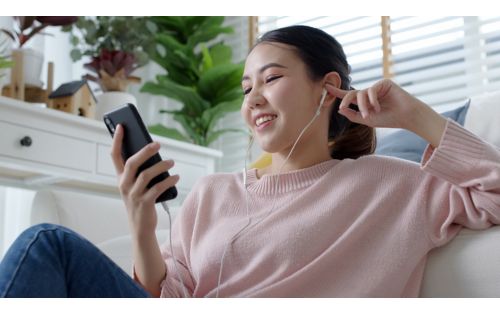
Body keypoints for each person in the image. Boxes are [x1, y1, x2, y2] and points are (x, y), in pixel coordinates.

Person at [1, 25, 500, 298]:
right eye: (246, 88)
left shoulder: (393, 187)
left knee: (48, 244)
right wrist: (140, 224)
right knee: (47, 248)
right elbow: (169, 296)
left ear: (328, 88)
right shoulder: (213, 193)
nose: (253, 98)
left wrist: (414, 116)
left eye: (271, 78)